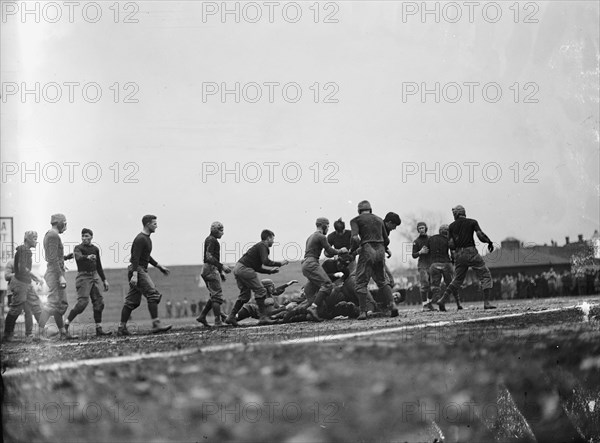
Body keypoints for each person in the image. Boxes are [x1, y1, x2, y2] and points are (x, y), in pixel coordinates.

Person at [117, 215, 172, 336]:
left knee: (132, 302)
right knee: (152, 294)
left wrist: (158, 266)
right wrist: (135, 274)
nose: (156, 226)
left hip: (138, 270)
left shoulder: (147, 239)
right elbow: (135, 258)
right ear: (147, 224)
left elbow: (146, 256)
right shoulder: (140, 239)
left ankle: (121, 328)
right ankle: (156, 324)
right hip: (137, 270)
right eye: (154, 223)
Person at [436, 205, 496, 311]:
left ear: (456, 214)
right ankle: (486, 303)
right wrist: (489, 241)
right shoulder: (472, 222)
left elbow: (451, 244)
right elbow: (480, 235)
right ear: (464, 213)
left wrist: (455, 257)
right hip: (471, 251)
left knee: (457, 280)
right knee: (485, 275)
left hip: (459, 254)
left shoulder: (451, 226)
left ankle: (442, 299)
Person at [225, 229, 289, 326]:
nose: (273, 241)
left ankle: (231, 316)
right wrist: (280, 263)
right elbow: (266, 261)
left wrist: (269, 271)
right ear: (268, 238)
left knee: (245, 296)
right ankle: (263, 318)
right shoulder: (263, 246)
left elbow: (257, 267)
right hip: (245, 269)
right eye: (272, 239)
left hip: (238, 268)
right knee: (261, 291)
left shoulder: (258, 246)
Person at [350, 200, 397, 320]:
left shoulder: (355, 220)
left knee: (360, 282)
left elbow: (355, 238)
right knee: (382, 280)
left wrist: (352, 251)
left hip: (367, 250)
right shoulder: (379, 219)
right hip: (380, 250)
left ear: (359, 210)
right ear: (370, 209)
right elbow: (386, 239)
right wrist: (385, 249)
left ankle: (363, 311)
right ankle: (393, 305)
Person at [64, 228, 112, 337]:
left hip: (94, 276)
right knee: (82, 304)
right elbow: (78, 257)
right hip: (83, 277)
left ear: (91, 237)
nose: (84, 238)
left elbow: (98, 265)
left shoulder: (95, 249)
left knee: (99, 302)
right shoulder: (78, 248)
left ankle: (98, 329)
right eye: (82, 236)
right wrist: (87, 257)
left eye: (86, 236)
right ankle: (65, 325)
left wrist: (104, 279)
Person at [302, 217, 348, 322]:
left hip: (305, 263)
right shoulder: (321, 236)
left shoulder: (310, 237)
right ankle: (313, 308)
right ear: (324, 226)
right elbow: (329, 251)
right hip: (312, 263)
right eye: (328, 226)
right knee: (327, 284)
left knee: (311, 287)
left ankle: (314, 312)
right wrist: (340, 250)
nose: (328, 228)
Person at [37, 214, 74, 339]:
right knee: (54, 303)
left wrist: (65, 259)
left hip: (54, 272)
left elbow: (54, 257)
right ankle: (39, 333)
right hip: (54, 274)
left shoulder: (51, 235)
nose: (65, 226)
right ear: (58, 223)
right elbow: (52, 259)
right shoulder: (53, 235)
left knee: (59, 304)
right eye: (64, 222)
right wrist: (60, 276)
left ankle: (63, 332)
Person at [2, 232, 44, 342]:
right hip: (20, 283)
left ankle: (41, 333)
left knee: (36, 305)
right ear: (27, 239)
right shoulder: (23, 251)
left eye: (36, 238)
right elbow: (22, 269)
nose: (36, 241)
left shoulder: (25, 251)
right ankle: (7, 334)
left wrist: (33, 278)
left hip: (26, 282)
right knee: (16, 309)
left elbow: (24, 269)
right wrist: (36, 277)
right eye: (34, 238)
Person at [197, 222, 232, 328]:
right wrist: (222, 267)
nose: (223, 233)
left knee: (214, 295)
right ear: (216, 230)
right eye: (221, 230)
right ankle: (218, 321)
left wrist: (220, 273)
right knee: (217, 296)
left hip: (208, 268)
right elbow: (209, 257)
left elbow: (212, 258)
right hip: (210, 269)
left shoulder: (211, 240)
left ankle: (202, 316)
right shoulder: (212, 240)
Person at [428, 224, 462, 310]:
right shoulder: (448, 240)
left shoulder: (430, 239)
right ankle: (458, 304)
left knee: (435, 286)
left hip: (434, 264)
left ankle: (440, 303)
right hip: (446, 263)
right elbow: (453, 252)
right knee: (452, 284)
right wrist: (453, 262)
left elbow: (427, 251)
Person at [412, 221, 433, 311]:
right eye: (419, 228)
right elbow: (413, 255)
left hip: (431, 264)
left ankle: (430, 304)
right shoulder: (416, 241)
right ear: (418, 230)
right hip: (422, 265)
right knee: (424, 284)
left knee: (432, 285)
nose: (421, 230)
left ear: (426, 228)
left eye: (422, 228)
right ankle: (424, 305)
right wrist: (420, 252)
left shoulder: (431, 239)